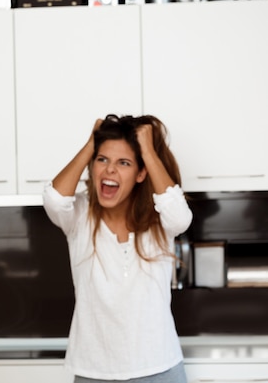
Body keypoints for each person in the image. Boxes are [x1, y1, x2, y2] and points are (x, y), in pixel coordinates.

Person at [42, 114, 193, 382]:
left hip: (159, 367)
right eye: (102, 159)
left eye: (124, 163)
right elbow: (54, 199)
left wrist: (147, 149)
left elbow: (181, 217)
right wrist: (92, 143)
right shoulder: (79, 217)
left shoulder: (159, 222)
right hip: (93, 372)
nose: (110, 170)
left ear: (141, 173)